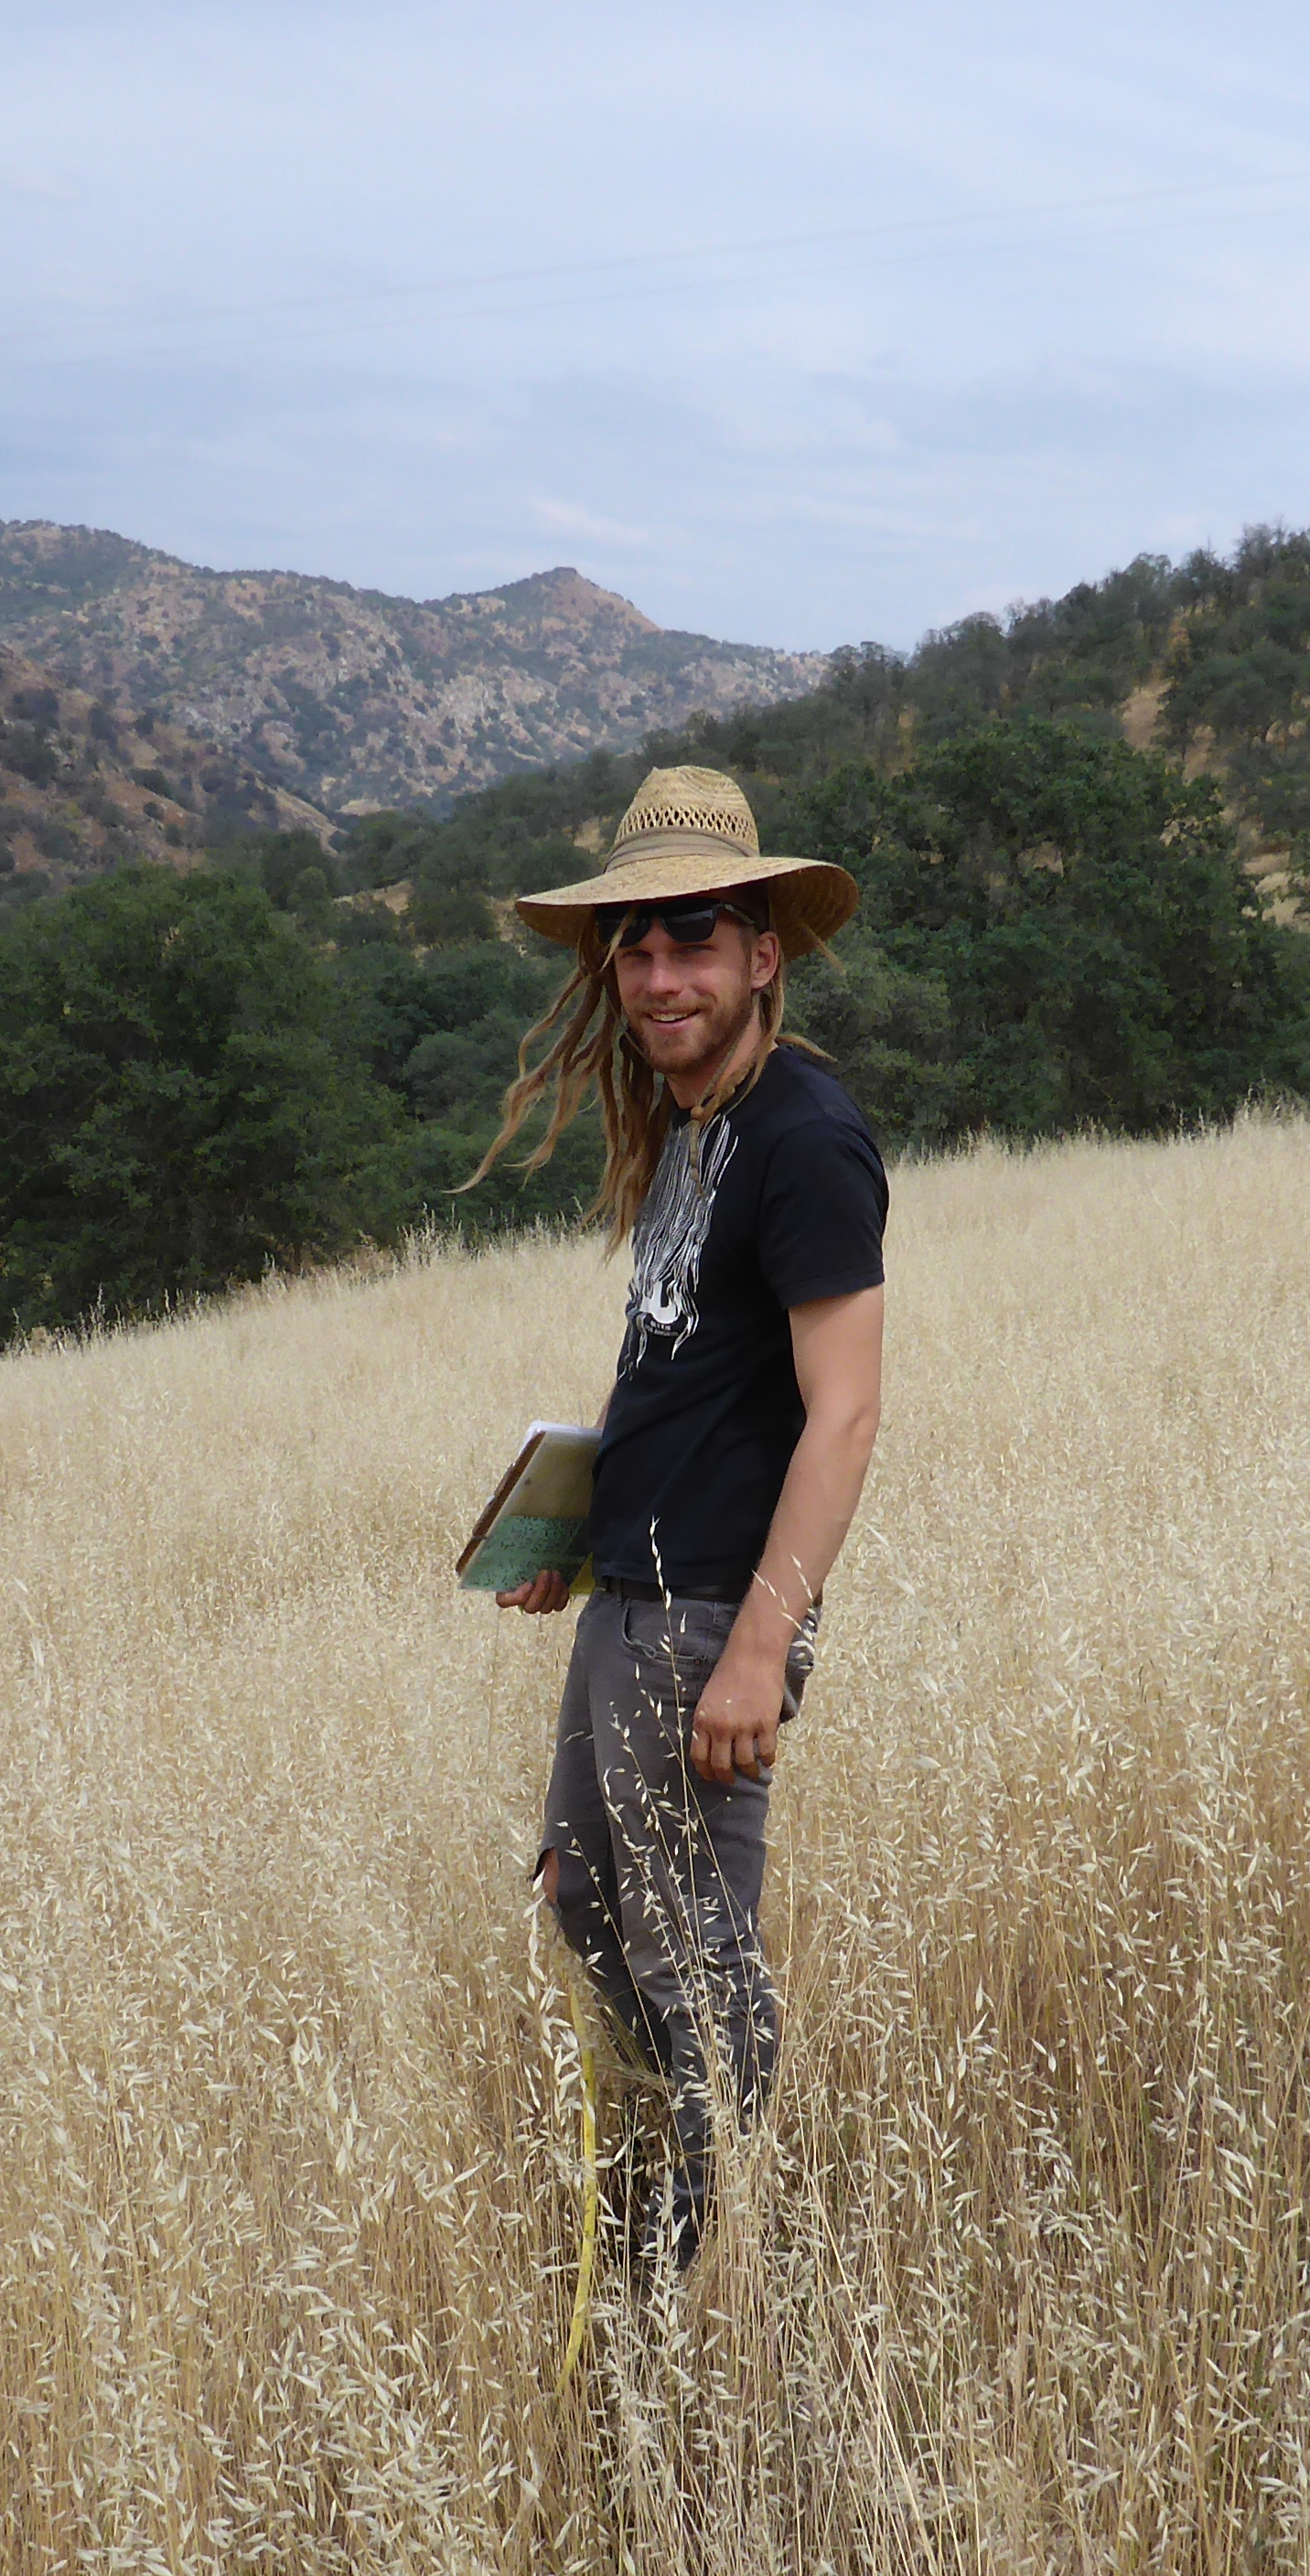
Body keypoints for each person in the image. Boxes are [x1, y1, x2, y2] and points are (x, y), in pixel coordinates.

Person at [473, 767, 887, 2271]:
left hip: (710, 1618)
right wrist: (572, 1535)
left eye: (692, 939)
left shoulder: (804, 1138)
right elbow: (691, 1381)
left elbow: (845, 1412)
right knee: (588, 1901)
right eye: (634, 947)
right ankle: (664, 2202)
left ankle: (718, 2268)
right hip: (632, 1600)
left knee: (695, 1963)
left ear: (762, 954)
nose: (658, 977)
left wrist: (757, 1652)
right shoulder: (696, 1123)